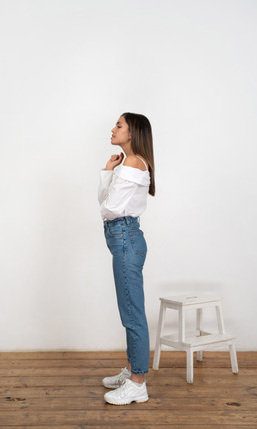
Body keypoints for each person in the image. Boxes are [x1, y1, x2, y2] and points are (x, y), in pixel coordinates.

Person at [98, 112, 155, 405]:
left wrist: (111, 179)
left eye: (118, 125)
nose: (113, 128)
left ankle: (138, 384)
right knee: (129, 311)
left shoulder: (133, 163)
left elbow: (108, 208)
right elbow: (106, 203)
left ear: (132, 132)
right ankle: (133, 371)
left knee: (132, 314)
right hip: (123, 239)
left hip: (126, 239)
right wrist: (108, 170)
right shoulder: (127, 164)